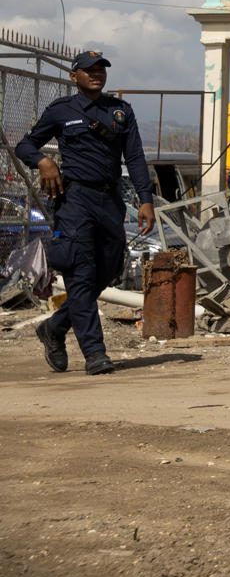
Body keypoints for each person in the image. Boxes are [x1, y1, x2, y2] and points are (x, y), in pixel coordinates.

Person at [13, 50, 156, 375]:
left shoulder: (120, 111)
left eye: (100, 69)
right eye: (88, 70)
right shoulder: (61, 111)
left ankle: (55, 327)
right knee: (79, 271)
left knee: (107, 270)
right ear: (73, 76)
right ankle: (94, 352)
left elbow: (134, 157)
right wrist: (44, 162)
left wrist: (145, 199)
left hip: (110, 200)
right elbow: (25, 145)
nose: (96, 74)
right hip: (74, 198)